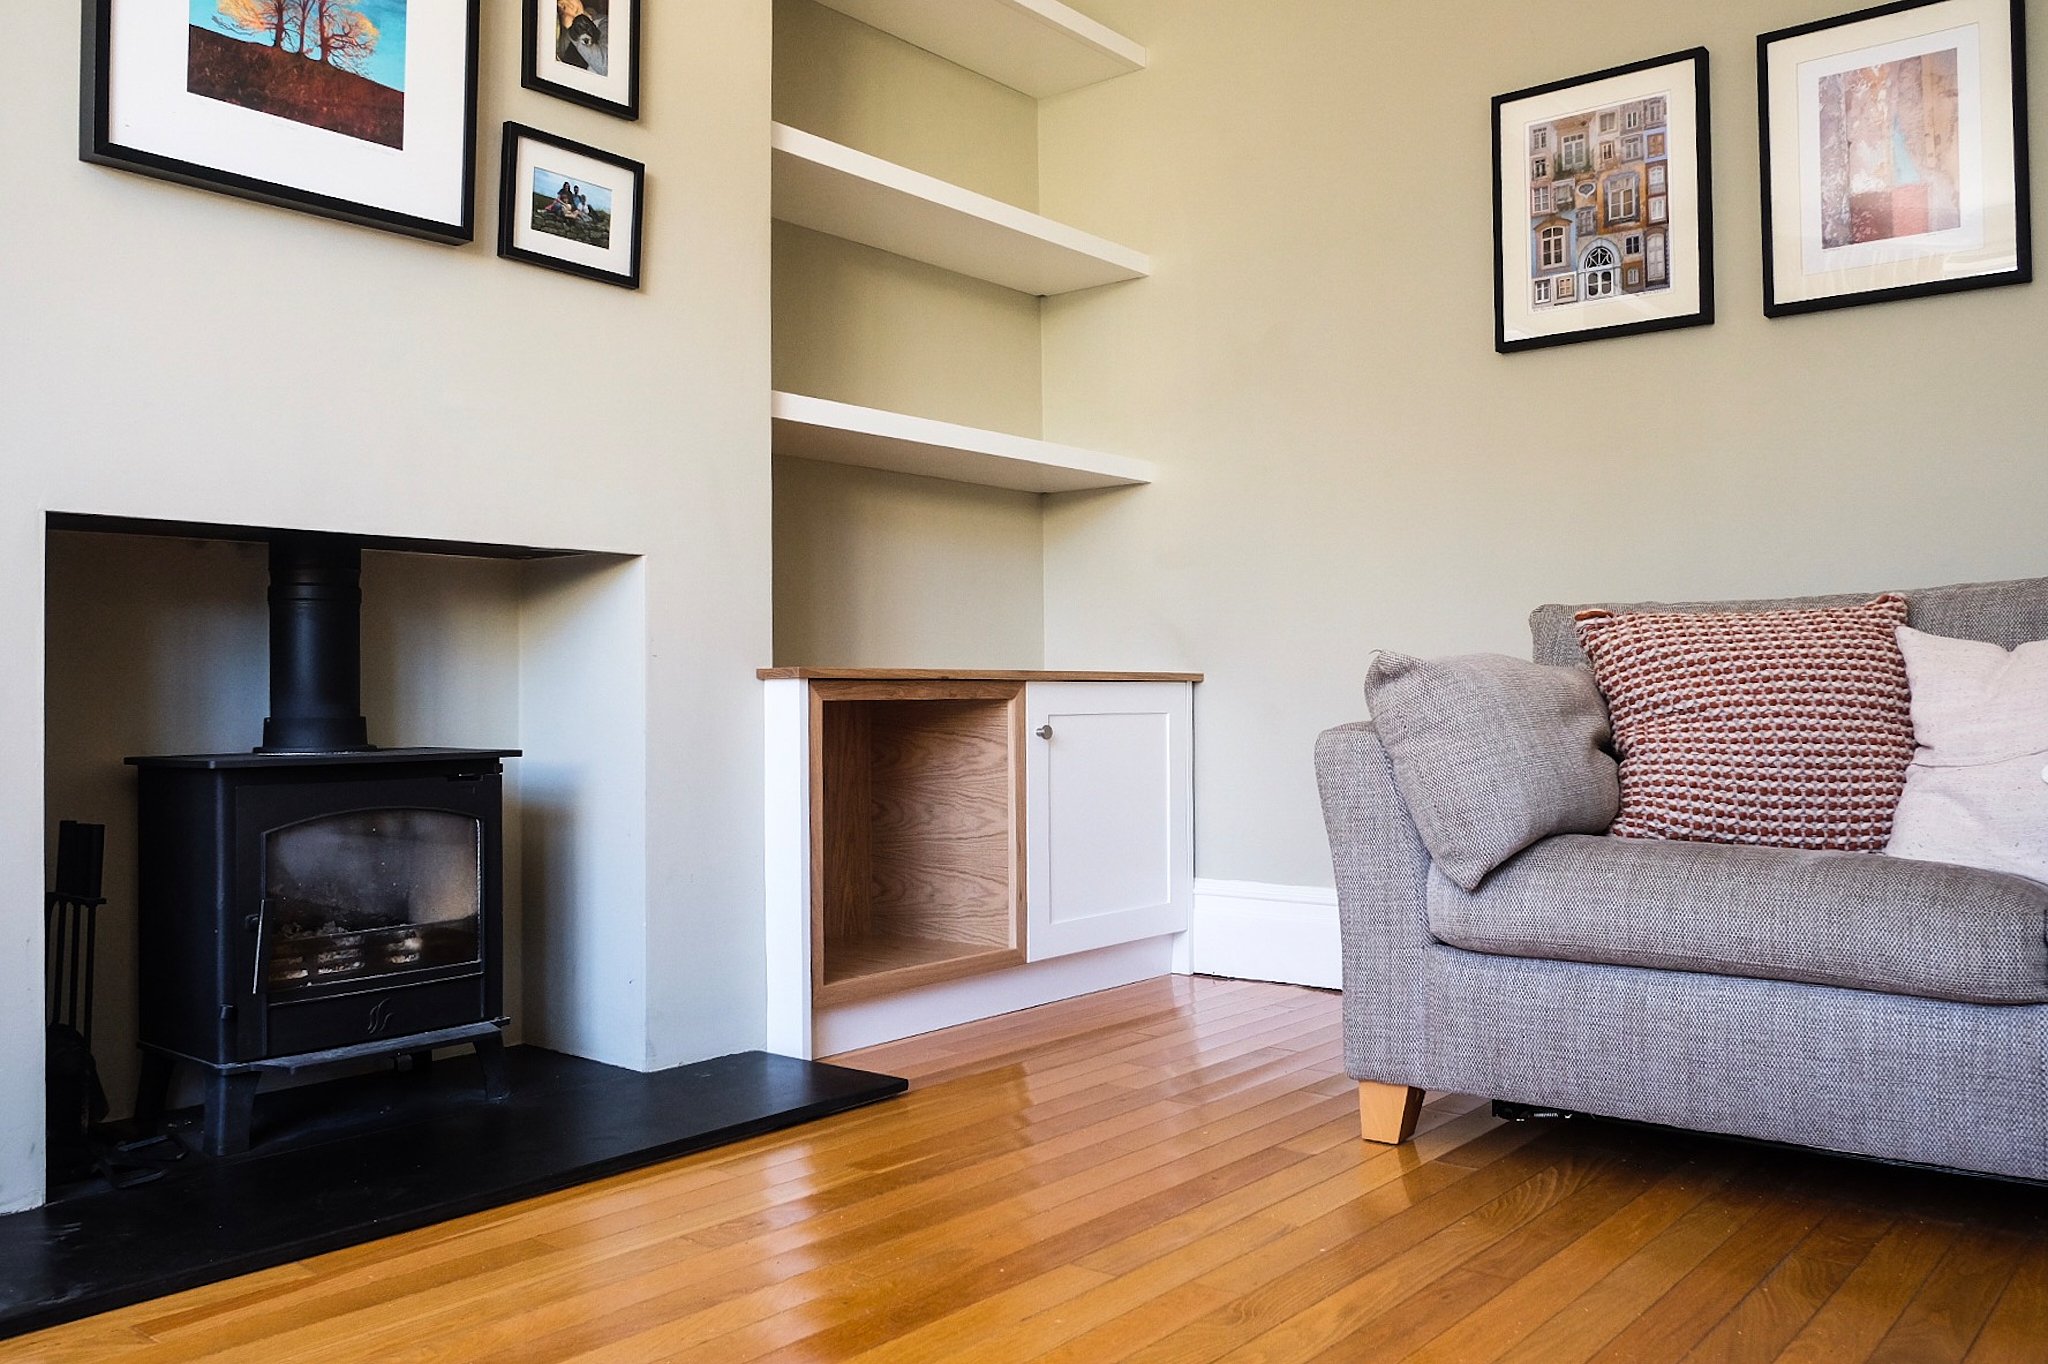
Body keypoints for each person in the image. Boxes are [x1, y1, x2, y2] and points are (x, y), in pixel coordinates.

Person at [556, 0, 609, 77]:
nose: (570, 5)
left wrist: (575, 29)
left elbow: (605, 65)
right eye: (564, 7)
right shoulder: (563, 38)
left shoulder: (603, 21)